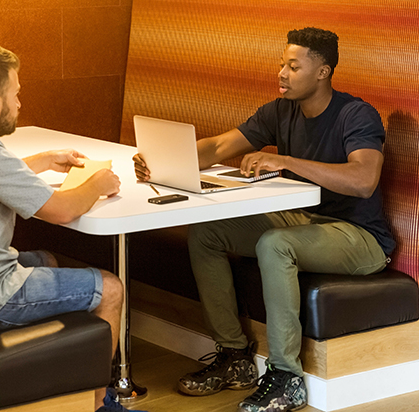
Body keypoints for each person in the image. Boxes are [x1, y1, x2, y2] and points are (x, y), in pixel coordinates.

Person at [133, 28, 396, 412]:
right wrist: (162, 159)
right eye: (282, 63)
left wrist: (286, 161)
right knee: (208, 233)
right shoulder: (280, 110)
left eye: (293, 66)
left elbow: (362, 180)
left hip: (358, 236)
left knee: (274, 244)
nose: (282, 73)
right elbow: (221, 146)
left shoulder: (355, 115)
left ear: (322, 72)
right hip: (303, 218)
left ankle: (287, 378)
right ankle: (236, 357)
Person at [0, 42, 144, 412]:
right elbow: (62, 211)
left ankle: (63, 382)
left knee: (47, 259)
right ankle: (102, 403)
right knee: (110, 288)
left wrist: (42, 160)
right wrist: (98, 183)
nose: (19, 103)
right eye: (15, 94)